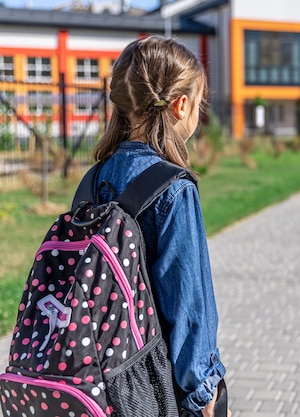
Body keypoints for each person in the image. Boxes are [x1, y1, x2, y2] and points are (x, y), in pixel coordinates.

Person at [91, 35, 227, 417]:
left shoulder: (94, 179)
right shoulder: (173, 188)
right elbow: (188, 300)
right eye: (199, 104)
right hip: (159, 385)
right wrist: (203, 389)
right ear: (181, 106)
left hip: (99, 377)